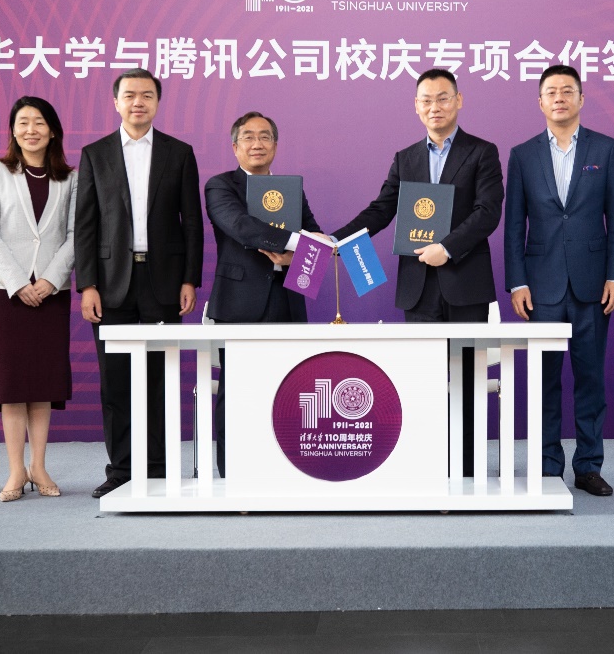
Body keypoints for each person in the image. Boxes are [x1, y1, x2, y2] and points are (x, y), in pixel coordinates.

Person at [333, 67, 503, 474]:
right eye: (426, 100)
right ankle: (429, 464)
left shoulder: (482, 152)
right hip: (418, 287)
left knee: (467, 377)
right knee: (425, 379)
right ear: (416, 106)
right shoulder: (405, 158)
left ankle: (467, 465)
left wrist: (448, 247)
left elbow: (487, 211)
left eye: (443, 98)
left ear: (459, 100)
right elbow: (381, 210)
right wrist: (336, 239)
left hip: (465, 282)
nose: (435, 107)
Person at [75, 69, 203, 498]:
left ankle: (159, 466)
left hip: (163, 281)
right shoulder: (95, 154)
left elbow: (192, 223)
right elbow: (85, 225)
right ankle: (122, 469)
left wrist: (189, 279)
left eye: (147, 95)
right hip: (111, 282)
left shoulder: (178, 153)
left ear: (157, 102)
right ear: (116, 102)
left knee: (160, 378)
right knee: (115, 382)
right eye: (129, 95)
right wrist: (87, 284)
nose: (138, 102)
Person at [504, 65, 614, 496]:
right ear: (540, 102)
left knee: (590, 379)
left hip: (593, 284)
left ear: (581, 99)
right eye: (551, 91)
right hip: (541, 286)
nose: (559, 98)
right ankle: (547, 465)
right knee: (545, 380)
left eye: (567, 91)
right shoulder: (522, 155)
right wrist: (517, 282)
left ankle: (589, 466)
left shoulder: (605, 149)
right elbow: (514, 224)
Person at [204, 112, 323, 476]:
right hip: (239, 304)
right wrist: (297, 243)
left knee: (290, 392)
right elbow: (242, 228)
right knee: (237, 394)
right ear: (235, 146)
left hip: (288, 300)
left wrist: (301, 252)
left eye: (265, 137)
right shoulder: (220, 186)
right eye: (249, 137)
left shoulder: (292, 189)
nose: (257, 144)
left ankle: (284, 469)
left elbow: (317, 241)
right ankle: (232, 472)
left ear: (275, 145)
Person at [0, 96, 77, 502]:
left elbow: (76, 234)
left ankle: (39, 465)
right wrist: (19, 282)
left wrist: (50, 279)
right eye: (22, 122)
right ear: (13, 131)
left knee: (42, 383)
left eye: (39, 122)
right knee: (12, 383)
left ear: (52, 131)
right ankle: (16, 470)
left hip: (52, 294)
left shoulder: (70, 178)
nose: (30, 129)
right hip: (7, 293)